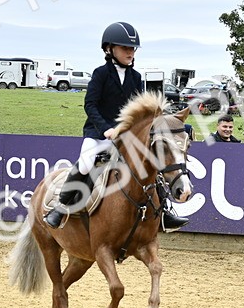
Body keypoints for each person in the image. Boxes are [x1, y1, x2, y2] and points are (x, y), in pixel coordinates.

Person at [43, 22, 188, 232]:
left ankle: (164, 212)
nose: (130, 52)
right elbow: (90, 105)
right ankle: (62, 206)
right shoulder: (100, 73)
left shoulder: (136, 78)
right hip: (98, 134)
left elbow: (142, 110)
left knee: (150, 165)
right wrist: (105, 129)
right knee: (85, 163)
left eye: (133, 49)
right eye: (125, 48)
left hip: (126, 137)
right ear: (109, 49)